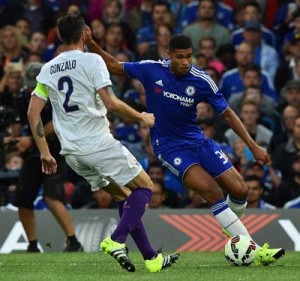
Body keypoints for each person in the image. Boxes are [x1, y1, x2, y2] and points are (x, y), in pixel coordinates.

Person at [85, 31, 285, 266]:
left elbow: (228, 114)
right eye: (180, 57)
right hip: (169, 147)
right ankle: (254, 249)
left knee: (241, 191)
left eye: (189, 57)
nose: (185, 62)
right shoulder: (151, 69)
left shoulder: (201, 79)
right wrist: (91, 44)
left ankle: (231, 228)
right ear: (168, 55)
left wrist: (253, 146)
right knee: (213, 192)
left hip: (198, 141)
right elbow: (115, 66)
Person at [27, 13, 179, 273]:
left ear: (61, 37)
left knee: (124, 195)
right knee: (145, 188)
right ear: (86, 32)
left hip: (72, 153)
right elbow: (111, 103)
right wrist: (141, 116)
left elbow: (33, 112)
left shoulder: (48, 68)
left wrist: (44, 153)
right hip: (98, 144)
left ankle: (151, 257)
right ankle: (115, 240)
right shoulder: (92, 60)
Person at [11, 62, 83, 253]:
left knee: (52, 197)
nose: (30, 89)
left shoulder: (57, 96)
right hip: (33, 154)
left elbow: (56, 124)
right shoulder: (23, 97)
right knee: (23, 200)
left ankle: (73, 241)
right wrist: (15, 139)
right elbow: (20, 125)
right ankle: (32, 245)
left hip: (55, 151)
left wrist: (30, 140)